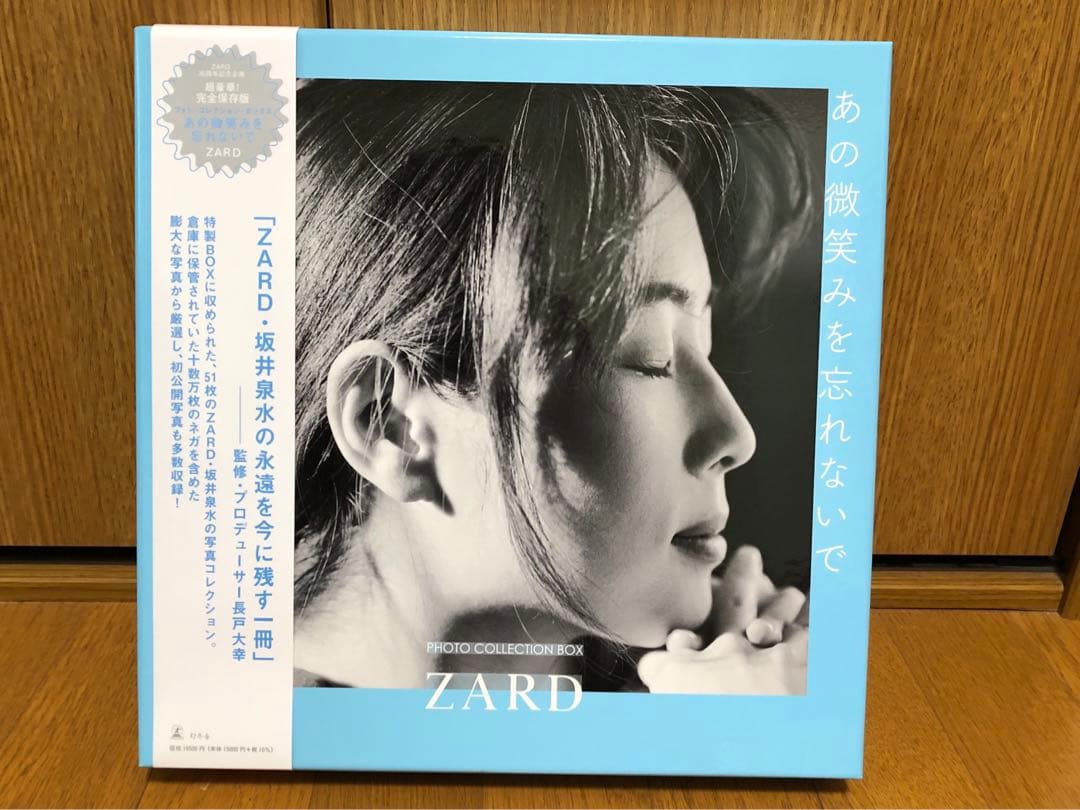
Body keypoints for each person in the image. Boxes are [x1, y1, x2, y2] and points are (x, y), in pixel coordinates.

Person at [292, 80, 816, 694]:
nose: (736, 435)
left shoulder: (731, 676)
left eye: (703, 346)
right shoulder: (244, 729)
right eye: (648, 353)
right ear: (390, 427)